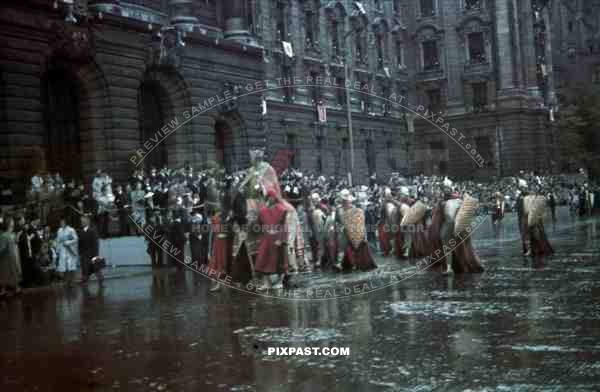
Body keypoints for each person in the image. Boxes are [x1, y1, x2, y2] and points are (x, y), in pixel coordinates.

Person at [334, 189, 377, 271]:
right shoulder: (338, 209)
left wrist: (360, 232)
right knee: (342, 247)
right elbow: (337, 221)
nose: (345, 201)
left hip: (353, 231)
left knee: (355, 248)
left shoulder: (354, 209)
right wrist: (337, 228)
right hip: (343, 230)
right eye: (343, 200)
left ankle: (356, 264)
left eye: (346, 200)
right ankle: (340, 263)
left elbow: (359, 221)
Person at [78, 214, 104, 286]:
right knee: (85, 268)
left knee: (96, 268)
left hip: (92, 253)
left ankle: (101, 281)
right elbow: (79, 243)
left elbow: (95, 243)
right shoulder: (80, 231)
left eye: (83, 221)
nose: (82, 222)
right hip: (84, 254)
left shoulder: (92, 230)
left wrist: (95, 255)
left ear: (88, 221)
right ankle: (85, 281)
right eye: (81, 221)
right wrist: (80, 253)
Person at [0, 216, 22, 297]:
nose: (13, 223)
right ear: (9, 224)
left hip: (8, 258)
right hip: (10, 257)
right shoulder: (8, 235)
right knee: (10, 274)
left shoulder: (5, 235)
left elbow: (2, 248)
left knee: (6, 274)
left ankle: (5, 290)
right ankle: (15, 289)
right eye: (12, 222)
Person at [56, 217, 78, 287]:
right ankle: (66, 282)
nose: (61, 223)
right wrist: (57, 250)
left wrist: (68, 242)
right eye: (60, 222)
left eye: (63, 222)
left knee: (71, 267)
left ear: (66, 222)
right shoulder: (59, 230)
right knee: (64, 267)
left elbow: (76, 239)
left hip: (70, 250)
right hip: (63, 251)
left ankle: (72, 281)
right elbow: (58, 241)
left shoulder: (71, 230)